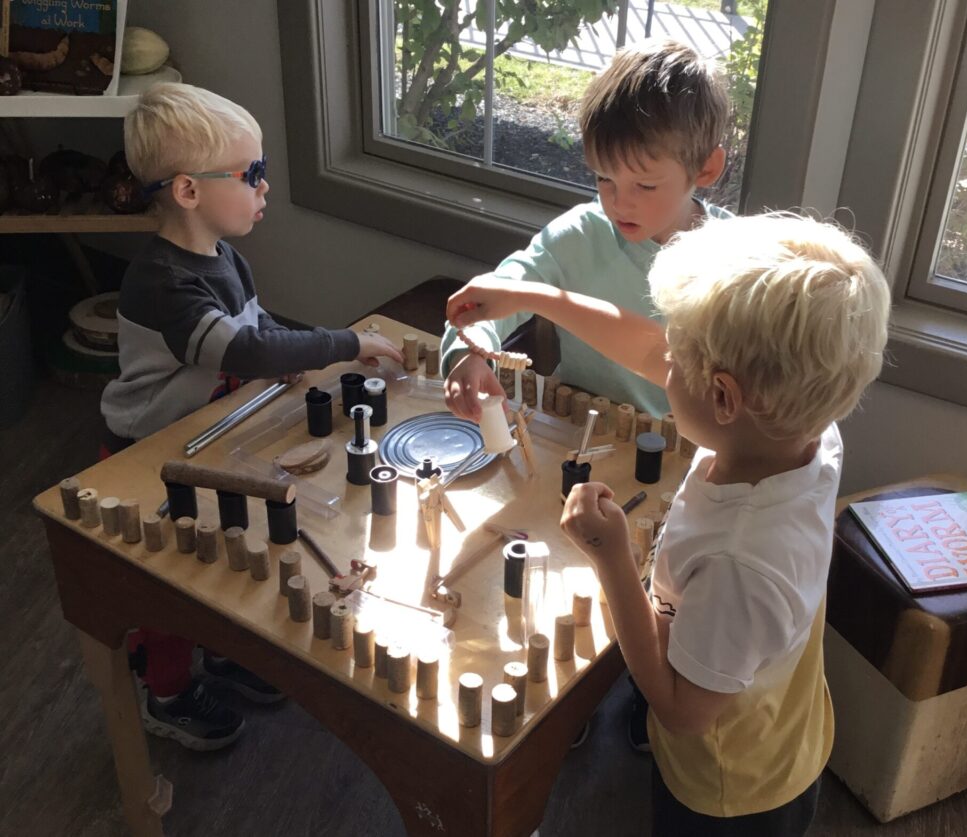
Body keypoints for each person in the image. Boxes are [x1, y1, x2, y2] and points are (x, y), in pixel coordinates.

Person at [446, 212, 891, 835]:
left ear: (725, 398)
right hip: (781, 721)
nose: (662, 358)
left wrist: (611, 559)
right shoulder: (803, 430)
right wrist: (530, 295)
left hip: (730, 787)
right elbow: (643, 345)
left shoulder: (742, 559)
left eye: (677, 355)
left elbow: (682, 711)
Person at [99, 82, 403, 750]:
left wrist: (283, 359)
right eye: (253, 175)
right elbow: (242, 345)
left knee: (228, 550)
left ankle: (224, 645)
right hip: (146, 453)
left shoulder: (225, 257)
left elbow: (253, 324)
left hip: (209, 434)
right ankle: (168, 690)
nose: (265, 189)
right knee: (169, 582)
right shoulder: (162, 280)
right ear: (188, 191)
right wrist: (343, 342)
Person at [441, 37, 732, 423]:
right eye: (603, 178)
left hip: (679, 449)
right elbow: (496, 294)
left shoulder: (737, 258)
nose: (618, 203)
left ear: (705, 169)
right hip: (576, 430)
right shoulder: (578, 234)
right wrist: (471, 351)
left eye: (644, 185)